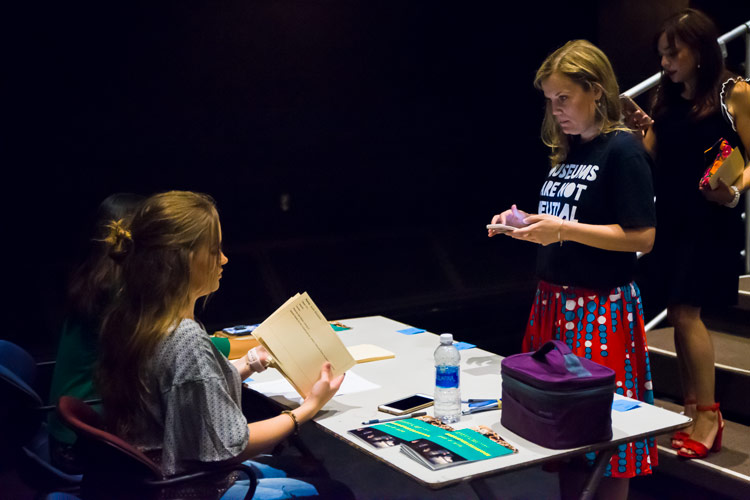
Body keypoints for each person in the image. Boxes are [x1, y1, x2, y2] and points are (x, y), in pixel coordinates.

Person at [96, 191, 351, 499]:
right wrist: (308, 407)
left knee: (308, 469)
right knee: (334, 491)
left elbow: (189, 392)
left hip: (157, 477)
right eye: (215, 250)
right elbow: (229, 448)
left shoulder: (133, 319)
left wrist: (250, 363)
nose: (224, 259)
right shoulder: (184, 338)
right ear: (184, 258)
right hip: (193, 487)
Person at [489, 40, 657, 499]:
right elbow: (569, 220)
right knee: (564, 439)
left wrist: (563, 230)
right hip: (554, 307)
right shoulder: (570, 150)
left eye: (565, 98)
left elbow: (642, 237)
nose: (556, 110)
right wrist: (522, 223)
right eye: (550, 101)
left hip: (599, 309)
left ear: (596, 91)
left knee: (605, 438)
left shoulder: (623, 150)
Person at [47, 193, 268, 473]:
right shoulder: (126, 302)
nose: (223, 258)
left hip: (97, 438)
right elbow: (184, 353)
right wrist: (301, 412)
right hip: (95, 446)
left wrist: (243, 363)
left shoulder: (100, 286)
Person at [623, 8, 750, 460]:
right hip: (672, 216)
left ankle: (711, 417)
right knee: (677, 311)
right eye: (661, 55)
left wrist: (734, 192)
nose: (665, 64)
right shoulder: (668, 97)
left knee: (689, 311)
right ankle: (694, 406)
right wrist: (640, 130)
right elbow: (656, 157)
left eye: (672, 54)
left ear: (698, 50)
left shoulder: (734, 93)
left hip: (710, 218)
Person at [47, 192, 144, 472]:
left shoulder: (93, 276)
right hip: (84, 441)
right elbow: (165, 349)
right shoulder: (119, 293)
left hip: (69, 430)